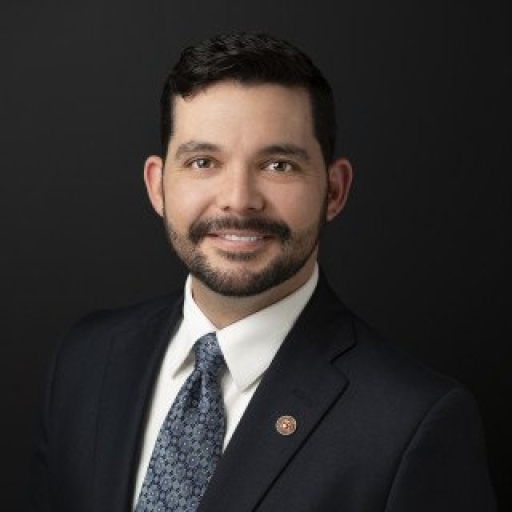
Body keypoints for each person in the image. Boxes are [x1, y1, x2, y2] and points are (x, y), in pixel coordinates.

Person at [29, 33, 495, 512]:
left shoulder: (414, 422)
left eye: (278, 165)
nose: (238, 200)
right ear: (157, 185)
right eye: (203, 162)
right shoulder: (85, 360)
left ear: (334, 191)